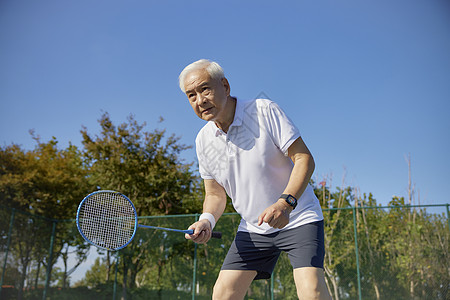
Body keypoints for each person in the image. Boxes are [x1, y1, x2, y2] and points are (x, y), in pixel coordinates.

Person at [179, 59, 331, 300]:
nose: (200, 100)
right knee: (223, 294)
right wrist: (206, 220)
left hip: (299, 216)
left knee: (311, 290)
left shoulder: (264, 110)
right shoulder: (202, 141)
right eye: (191, 95)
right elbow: (215, 194)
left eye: (205, 89)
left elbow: (304, 159)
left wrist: (285, 203)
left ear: (225, 86)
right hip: (253, 228)